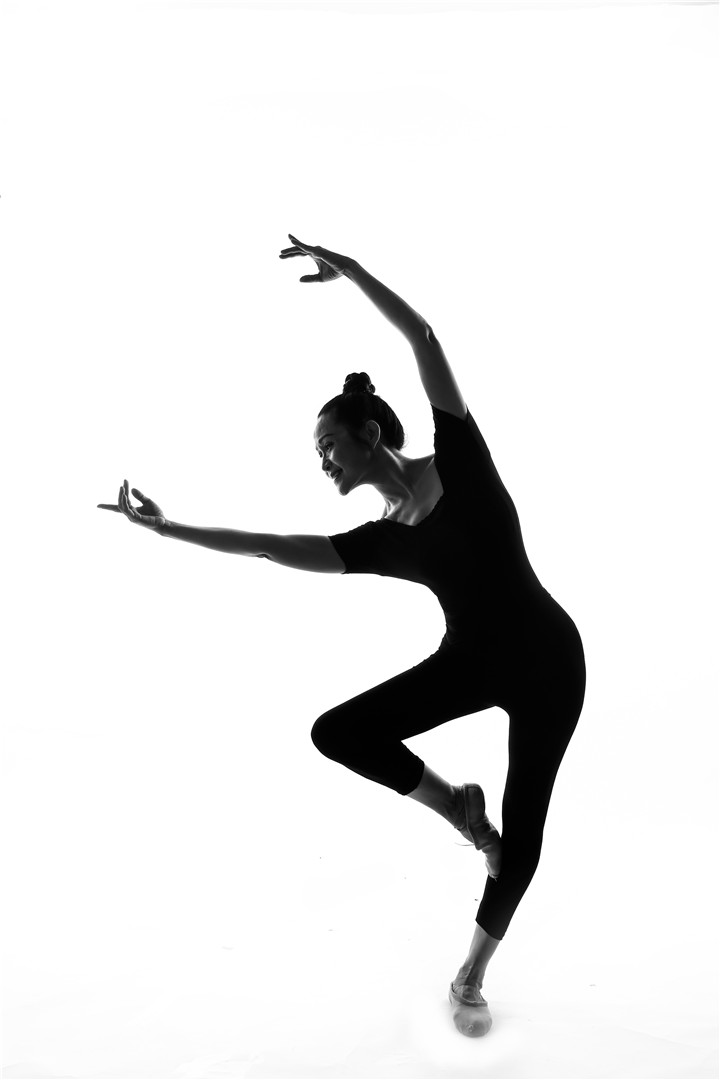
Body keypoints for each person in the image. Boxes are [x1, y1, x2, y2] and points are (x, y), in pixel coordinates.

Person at [98, 234, 586, 1039]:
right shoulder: (380, 539)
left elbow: (423, 336)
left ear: (368, 434)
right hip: (470, 661)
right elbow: (268, 546)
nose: (323, 463)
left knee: (525, 838)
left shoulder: (459, 457)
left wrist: (352, 269)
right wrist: (167, 528)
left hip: (551, 664)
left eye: (328, 447)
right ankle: (458, 811)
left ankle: (469, 976)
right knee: (340, 732)